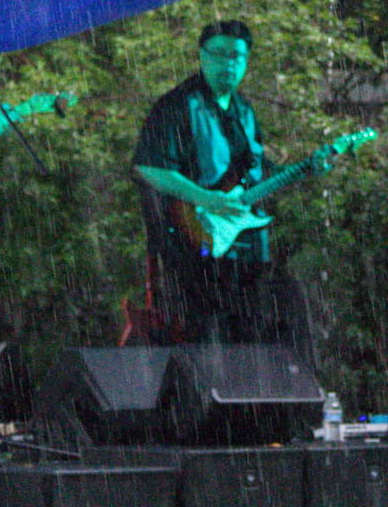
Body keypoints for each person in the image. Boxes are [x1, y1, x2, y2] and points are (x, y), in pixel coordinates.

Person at [132, 20, 324, 358]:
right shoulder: (177, 105)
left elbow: (256, 175)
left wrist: (305, 168)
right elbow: (148, 167)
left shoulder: (244, 111)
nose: (228, 64)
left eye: (236, 56)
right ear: (201, 56)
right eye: (219, 54)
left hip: (245, 248)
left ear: (247, 61)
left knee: (257, 332)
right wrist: (207, 199)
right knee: (207, 340)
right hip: (193, 247)